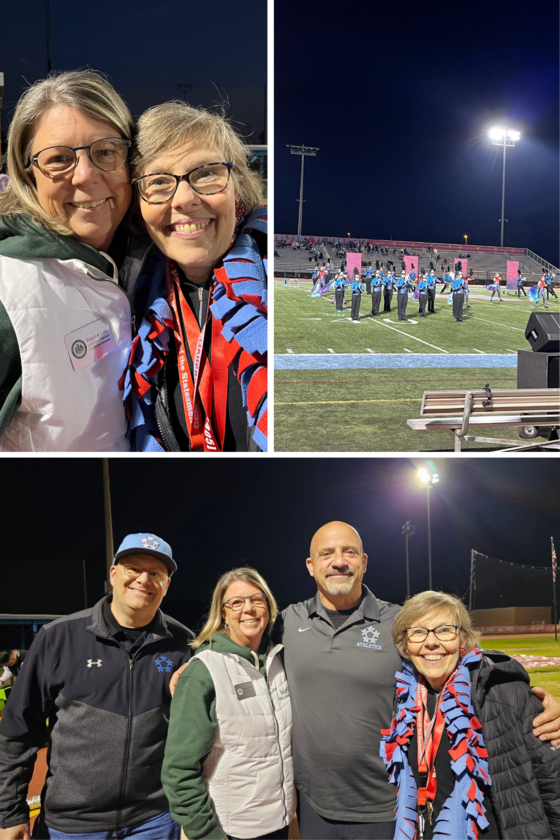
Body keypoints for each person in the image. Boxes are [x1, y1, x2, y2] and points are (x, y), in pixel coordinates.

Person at [0, 533, 194, 840]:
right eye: (133, 569)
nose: (144, 579)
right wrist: (10, 812)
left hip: (154, 821)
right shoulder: (57, 637)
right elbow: (19, 732)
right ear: (114, 573)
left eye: (156, 574)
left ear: (166, 584)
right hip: (71, 826)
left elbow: (195, 737)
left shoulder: (184, 643)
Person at [121, 101, 267, 452]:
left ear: (239, 192)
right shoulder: (131, 298)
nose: (184, 198)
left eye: (206, 173)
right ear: (139, 210)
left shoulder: (268, 272)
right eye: (158, 181)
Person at [0, 70, 134, 452]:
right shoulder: (7, 289)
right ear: (29, 174)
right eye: (59, 159)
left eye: (106, 151)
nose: (86, 176)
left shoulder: (141, 263)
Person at [381, 591, 560, 840]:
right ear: (406, 645)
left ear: (462, 638)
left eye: (444, 630)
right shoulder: (404, 700)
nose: (431, 642)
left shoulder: (504, 692)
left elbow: (553, 785)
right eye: (418, 632)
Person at [162, 567, 295, 840]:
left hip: (279, 824)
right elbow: (179, 769)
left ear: (268, 607)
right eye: (236, 602)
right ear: (223, 613)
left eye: (257, 600)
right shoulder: (203, 671)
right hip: (230, 830)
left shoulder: (279, 659)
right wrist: (206, 833)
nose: (248, 608)